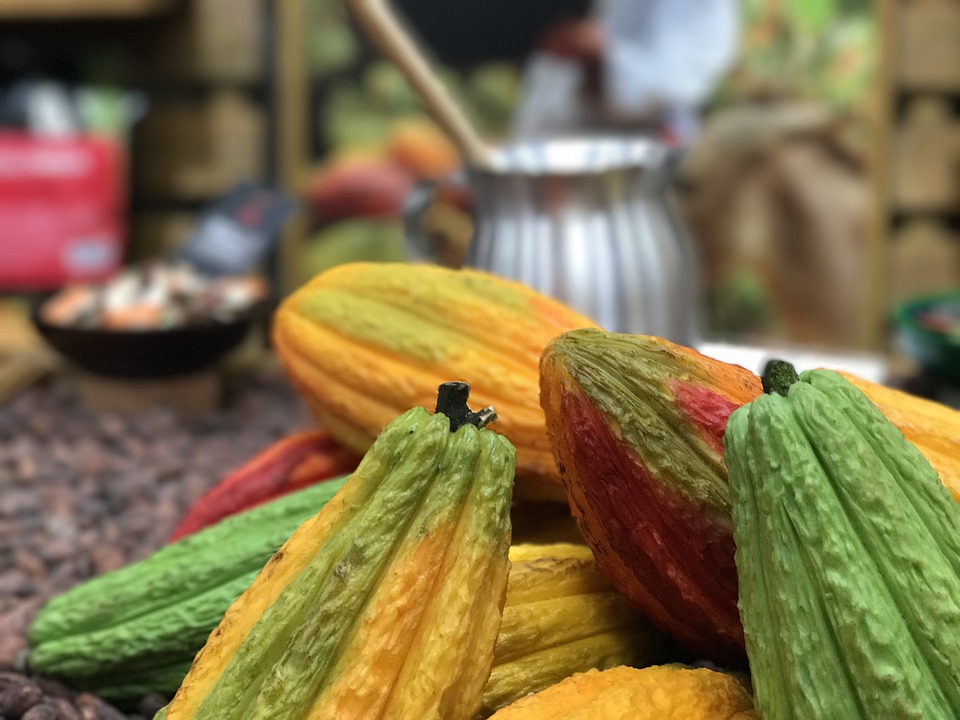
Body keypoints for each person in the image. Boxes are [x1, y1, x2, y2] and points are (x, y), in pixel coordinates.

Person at [514, 0, 740, 144]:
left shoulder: (701, 8)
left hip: (627, 177)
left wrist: (600, 57)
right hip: (547, 158)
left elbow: (677, 84)